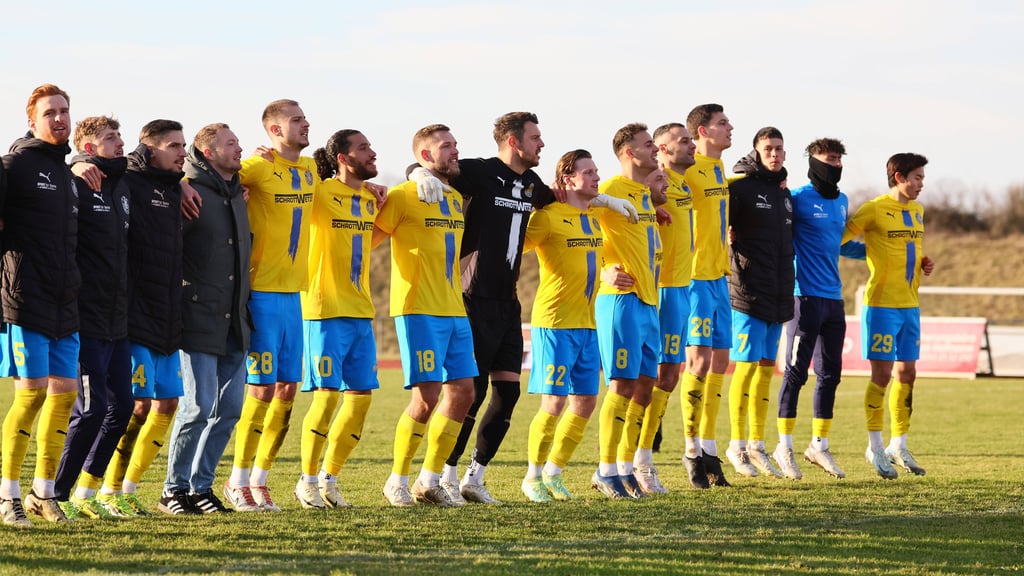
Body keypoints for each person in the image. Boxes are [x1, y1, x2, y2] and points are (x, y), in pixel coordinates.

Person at [411, 112, 634, 506]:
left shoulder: (531, 184)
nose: (541, 144)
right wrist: (416, 173)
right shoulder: (481, 171)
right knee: (470, 392)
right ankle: (442, 475)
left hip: (508, 302)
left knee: (508, 393)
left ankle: (474, 477)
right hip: (472, 296)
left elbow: (567, 196)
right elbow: (433, 165)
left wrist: (609, 201)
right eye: (535, 138)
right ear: (514, 142)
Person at [374, 124, 477, 508]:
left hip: (454, 309)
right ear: (424, 155)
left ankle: (428, 480)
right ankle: (396, 480)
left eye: (455, 144)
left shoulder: (453, 197)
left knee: (464, 393)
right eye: (445, 146)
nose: (455, 151)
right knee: (426, 397)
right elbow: (365, 239)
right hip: (418, 308)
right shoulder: (404, 196)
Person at [223, 100, 318, 512]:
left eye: (304, 118)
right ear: (275, 131)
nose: (305, 123)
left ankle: (260, 481)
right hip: (260, 292)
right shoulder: (258, 167)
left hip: (294, 296)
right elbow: (212, 176)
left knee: (287, 390)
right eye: (297, 120)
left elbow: (349, 171)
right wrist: (242, 168)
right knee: (260, 389)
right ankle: (236, 480)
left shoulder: (313, 168)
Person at [159, 123, 250, 514]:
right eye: (231, 144)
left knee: (229, 409)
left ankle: (200, 488)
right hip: (198, 316)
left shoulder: (238, 192)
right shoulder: (186, 187)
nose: (240, 148)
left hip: (235, 320)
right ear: (209, 152)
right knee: (197, 407)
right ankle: (172, 490)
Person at [97, 119, 187, 516]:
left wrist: (181, 182)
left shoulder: (174, 187)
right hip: (134, 316)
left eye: (184, 145)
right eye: (174, 145)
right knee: (138, 405)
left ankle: (129, 488)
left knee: (167, 405)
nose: (182, 152)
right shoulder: (129, 181)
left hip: (168, 315)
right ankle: (106, 490)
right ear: (150, 150)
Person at [0, 84, 80, 526]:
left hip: (66, 300)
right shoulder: (15, 165)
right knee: (29, 396)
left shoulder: (67, 173)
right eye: (50, 112)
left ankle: (42, 493)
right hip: (25, 298)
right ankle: (6, 495)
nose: (60, 118)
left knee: (64, 396)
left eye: (65, 111)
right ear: (32, 121)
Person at [294, 129, 381, 509]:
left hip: (361, 312)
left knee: (360, 401)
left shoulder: (370, 197)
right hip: (324, 309)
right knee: (327, 399)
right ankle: (306, 480)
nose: (372, 152)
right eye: (363, 148)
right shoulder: (320, 191)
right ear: (343, 158)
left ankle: (330, 478)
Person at [53, 116, 133, 520]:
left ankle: (84, 490)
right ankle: (55, 493)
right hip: (86, 317)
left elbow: (164, 170)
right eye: (110, 138)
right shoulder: (78, 181)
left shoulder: (123, 184)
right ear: (87, 146)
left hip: (118, 320)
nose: (120, 143)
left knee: (123, 407)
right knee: (91, 409)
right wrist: (72, 165)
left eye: (120, 136)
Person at [774, 138, 865, 480]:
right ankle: (784, 446)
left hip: (833, 301)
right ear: (813, 162)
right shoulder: (795, 198)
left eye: (840, 159)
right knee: (795, 374)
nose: (836, 165)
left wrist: (880, 251)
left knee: (831, 375)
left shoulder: (841, 200)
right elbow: (774, 232)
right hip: (803, 298)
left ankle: (819, 446)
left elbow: (840, 243)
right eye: (830, 159)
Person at [843, 153, 934, 479]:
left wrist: (923, 262)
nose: (922, 184)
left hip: (910, 306)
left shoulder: (918, 211)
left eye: (923, 178)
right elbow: (837, 241)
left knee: (907, 373)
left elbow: (910, 249)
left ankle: (899, 443)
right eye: (917, 177)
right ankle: (875, 446)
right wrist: (867, 251)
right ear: (899, 176)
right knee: (881, 376)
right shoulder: (874, 208)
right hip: (880, 306)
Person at [520, 149, 603, 503]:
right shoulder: (548, 217)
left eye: (597, 171)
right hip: (554, 322)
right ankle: (532, 476)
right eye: (589, 172)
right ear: (568, 179)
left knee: (585, 403)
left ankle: (555, 472)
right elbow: (511, 246)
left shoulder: (597, 218)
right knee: (553, 403)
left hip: (588, 323)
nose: (597, 177)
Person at [591, 123, 662, 500]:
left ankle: (624, 466)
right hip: (621, 302)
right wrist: (603, 267)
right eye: (649, 145)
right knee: (620, 384)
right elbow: (575, 215)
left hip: (650, 302)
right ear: (630, 153)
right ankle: (605, 469)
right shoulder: (612, 190)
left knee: (644, 388)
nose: (656, 150)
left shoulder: (644, 194)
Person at [724, 127, 793, 480]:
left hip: (778, 293)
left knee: (767, 371)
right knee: (746, 368)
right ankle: (735, 444)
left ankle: (756, 443)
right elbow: (717, 226)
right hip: (747, 292)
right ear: (755, 151)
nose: (775, 154)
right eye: (769, 148)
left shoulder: (784, 193)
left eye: (780, 148)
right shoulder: (738, 188)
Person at [632, 122, 697, 494]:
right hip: (656, 290)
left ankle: (642, 457)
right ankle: (633, 459)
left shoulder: (683, 184)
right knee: (642, 377)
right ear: (661, 148)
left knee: (669, 376)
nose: (692, 146)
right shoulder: (650, 182)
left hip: (682, 289)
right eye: (683, 141)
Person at [680, 103, 733, 488]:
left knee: (719, 364)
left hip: (719, 278)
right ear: (702, 132)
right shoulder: (688, 170)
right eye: (722, 123)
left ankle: (710, 448)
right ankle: (691, 451)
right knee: (696, 364)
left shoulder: (719, 171)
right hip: (695, 278)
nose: (730, 127)